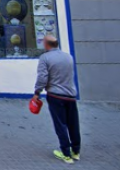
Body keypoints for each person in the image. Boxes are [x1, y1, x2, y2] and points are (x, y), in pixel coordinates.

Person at [33, 35, 80, 164]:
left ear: (47, 44)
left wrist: (37, 92)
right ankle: (76, 151)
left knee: (60, 125)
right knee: (73, 124)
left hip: (55, 96)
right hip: (70, 95)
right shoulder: (68, 57)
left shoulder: (45, 58)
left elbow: (42, 77)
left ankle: (65, 153)